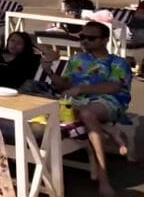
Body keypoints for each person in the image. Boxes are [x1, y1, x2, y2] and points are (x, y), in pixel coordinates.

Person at [41, 21, 131, 197]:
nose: (84, 41)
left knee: (87, 113)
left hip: (108, 101)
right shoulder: (76, 59)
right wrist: (49, 72)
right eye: (82, 37)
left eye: (91, 38)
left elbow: (113, 88)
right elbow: (64, 85)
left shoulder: (118, 62)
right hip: (76, 102)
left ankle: (104, 179)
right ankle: (108, 129)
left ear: (104, 40)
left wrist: (81, 89)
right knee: (46, 107)